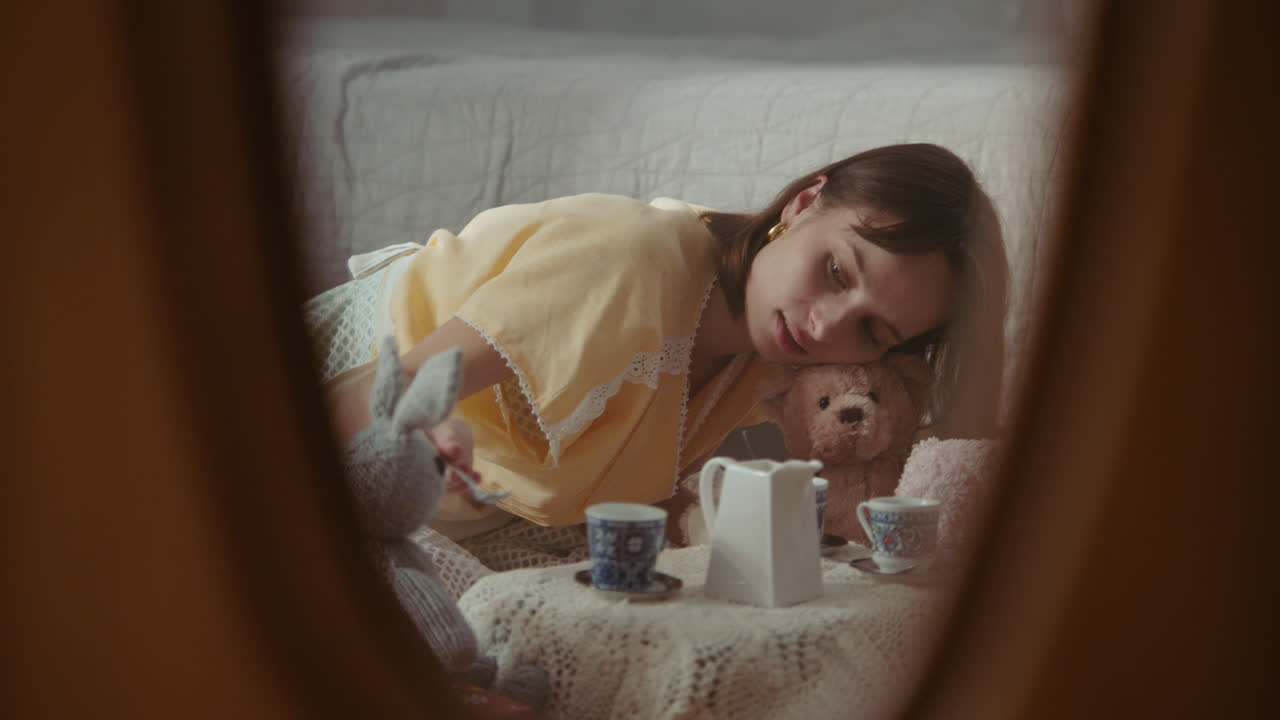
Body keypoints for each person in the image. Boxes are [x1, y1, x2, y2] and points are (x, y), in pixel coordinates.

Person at [311, 142, 1008, 550]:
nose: (826, 327)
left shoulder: (760, 367)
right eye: (835, 270)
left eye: (871, 332)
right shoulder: (630, 261)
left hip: (450, 516)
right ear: (804, 204)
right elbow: (368, 403)